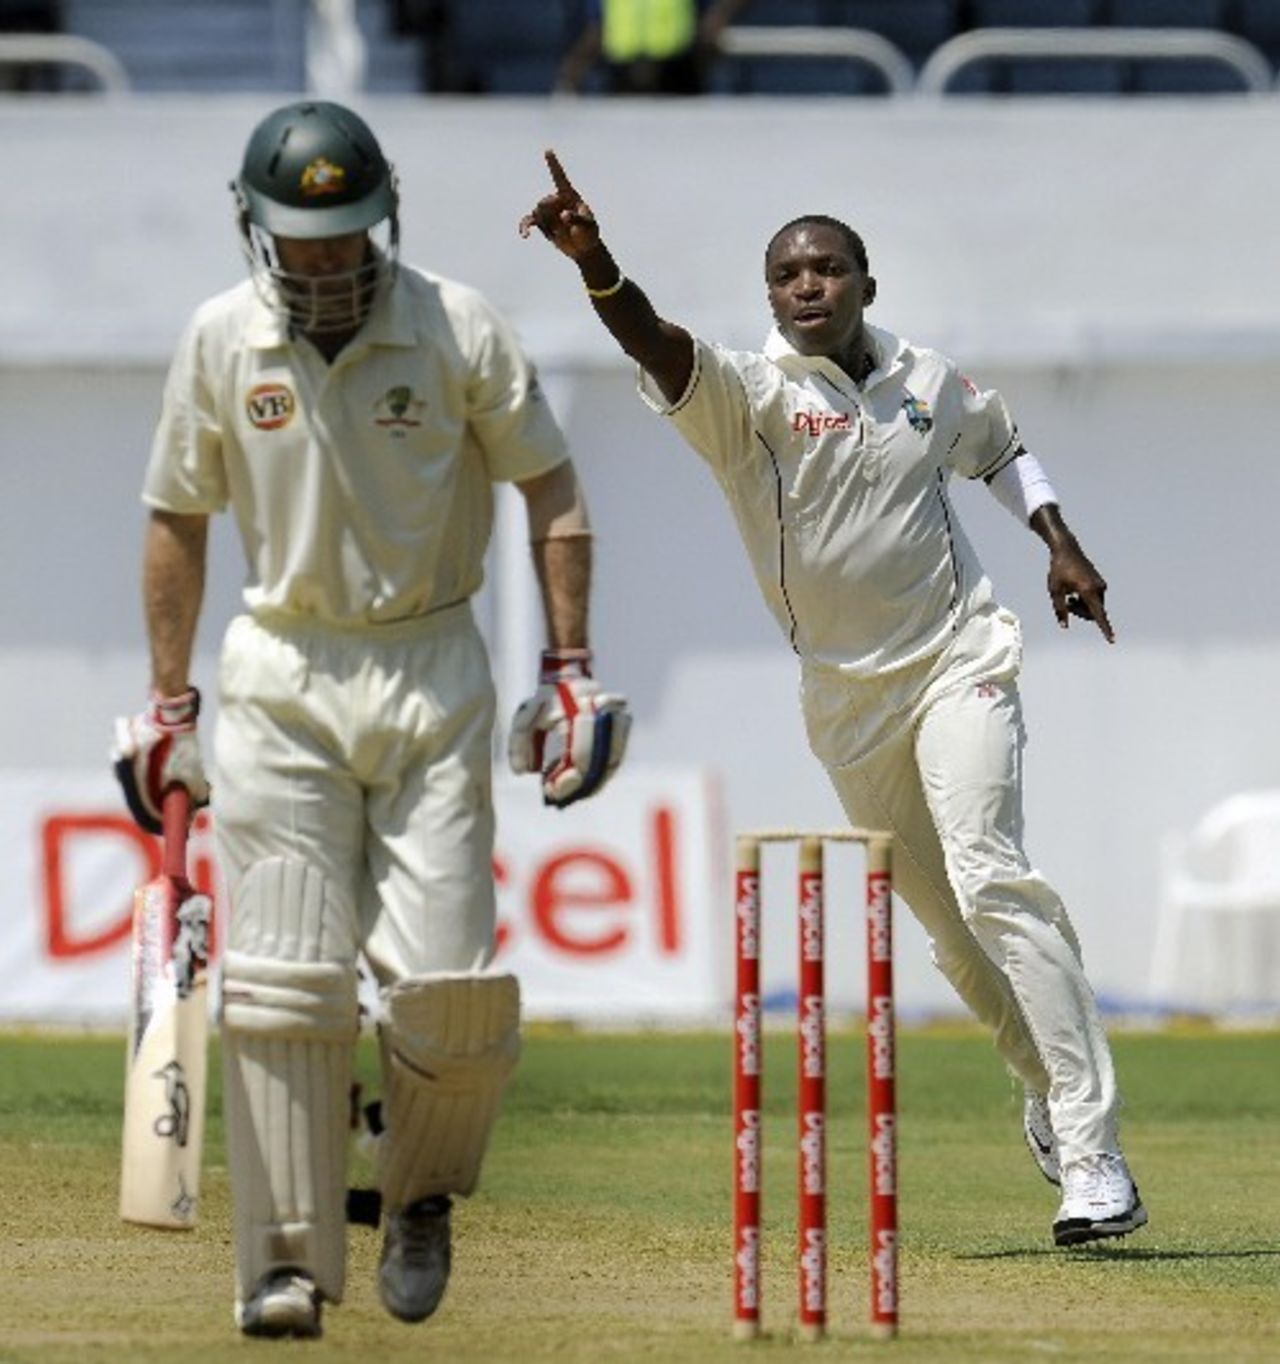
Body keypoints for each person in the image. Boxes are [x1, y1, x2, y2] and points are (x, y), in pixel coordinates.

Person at [520, 151, 1146, 1247]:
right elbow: (652, 343)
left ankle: (1092, 1151)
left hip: (961, 656)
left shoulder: (922, 379)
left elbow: (1001, 449)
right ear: (770, 296)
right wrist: (596, 263)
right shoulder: (748, 398)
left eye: (824, 269)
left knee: (991, 873)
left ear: (864, 281)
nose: (803, 287)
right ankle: (1045, 1092)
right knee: (953, 940)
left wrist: (1061, 545)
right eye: (783, 275)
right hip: (846, 700)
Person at [111, 103, 630, 1340]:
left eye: (346, 237)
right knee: (287, 987)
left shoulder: (455, 327)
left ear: (381, 220)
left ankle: (418, 1193)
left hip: (431, 666)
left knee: (447, 994)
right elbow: (175, 515)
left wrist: (568, 666)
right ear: (256, 231)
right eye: (303, 240)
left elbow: (548, 483)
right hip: (283, 671)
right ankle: (282, 1263)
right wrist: (167, 701)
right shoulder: (221, 339)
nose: (328, 261)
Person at [557, 0, 749, 95]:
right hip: (623, 75)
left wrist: (717, 18)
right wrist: (576, 66)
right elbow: (599, 23)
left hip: (679, 71)